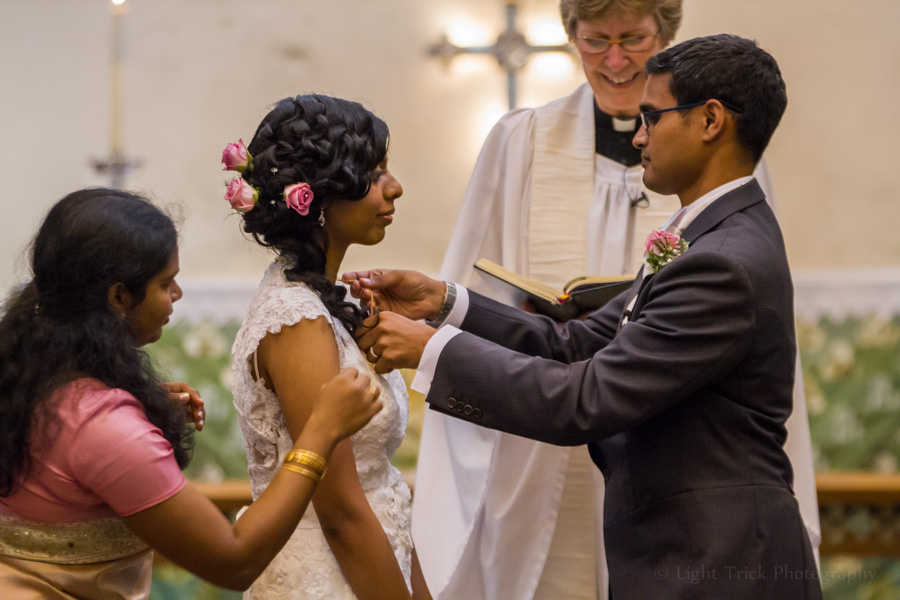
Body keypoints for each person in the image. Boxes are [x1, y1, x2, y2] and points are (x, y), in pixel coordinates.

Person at [348, 34, 822, 599]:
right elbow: (577, 343)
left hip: (717, 564)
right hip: (693, 553)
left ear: (710, 120)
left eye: (652, 116)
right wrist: (447, 304)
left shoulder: (721, 261)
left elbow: (585, 400)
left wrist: (425, 349)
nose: (639, 135)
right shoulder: (707, 237)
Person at [0, 188, 382, 599]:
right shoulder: (102, 427)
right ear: (119, 296)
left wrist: (141, 405)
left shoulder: (27, 376)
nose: (177, 294)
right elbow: (234, 560)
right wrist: (320, 431)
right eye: (166, 282)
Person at [225, 95, 430, 599]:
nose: (395, 187)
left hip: (374, 560)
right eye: (373, 171)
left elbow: (380, 485)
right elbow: (338, 511)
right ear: (320, 194)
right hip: (331, 574)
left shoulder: (325, 304)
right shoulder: (295, 320)